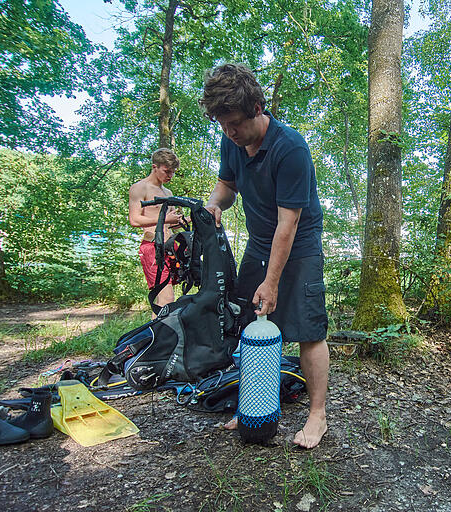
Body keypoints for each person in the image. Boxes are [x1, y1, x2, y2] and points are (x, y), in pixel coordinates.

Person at [198, 63, 329, 449]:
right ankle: (253, 403)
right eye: (222, 125)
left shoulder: (291, 148)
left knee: (307, 331)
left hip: (299, 245)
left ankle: (317, 416)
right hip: (258, 244)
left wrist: (271, 283)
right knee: (246, 325)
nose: (229, 131)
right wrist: (214, 205)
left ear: (257, 108)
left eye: (235, 122)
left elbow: (287, 226)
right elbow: (226, 186)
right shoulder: (232, 139)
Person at [128, 148, 185, 318]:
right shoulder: (140, 188)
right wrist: (165, 220)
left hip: (169, 247)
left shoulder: (168, 193)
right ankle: (159, 339)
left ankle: (157, 339)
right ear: (155, 166)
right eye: (167, 171)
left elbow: (174, 225)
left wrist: (192, 218)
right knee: (166, 298)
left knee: (164, 300)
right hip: (152, 247)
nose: (170, 176)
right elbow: (135, 220)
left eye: (173, 172)